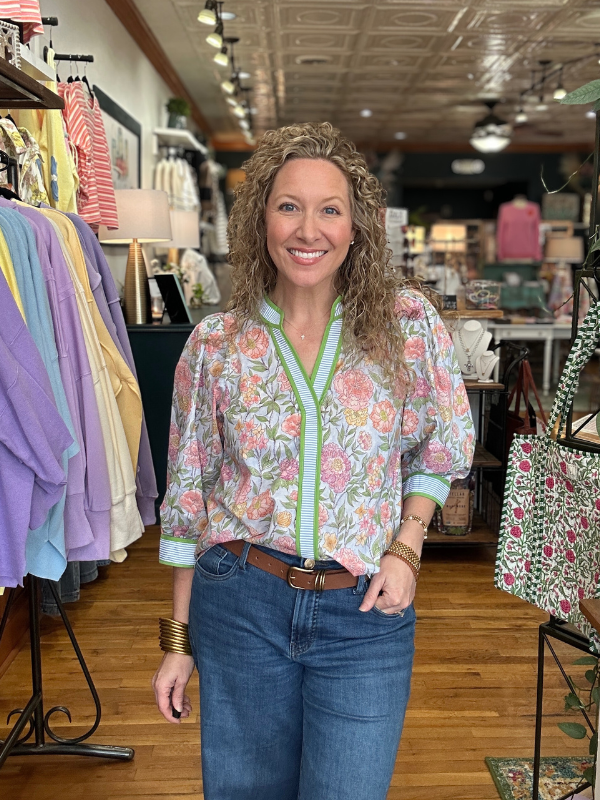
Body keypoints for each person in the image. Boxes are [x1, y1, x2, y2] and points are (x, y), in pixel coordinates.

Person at [152, 122, 474, 800]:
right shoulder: (217, 344)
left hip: (364, 614)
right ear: (261, 219)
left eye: (330, 209)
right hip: (240, 601)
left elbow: (441, 441)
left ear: (356, 228)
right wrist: (177, 645)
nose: (309, 229)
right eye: (289, 206)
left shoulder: (404, 325)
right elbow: (188, 494)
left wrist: (408, 547)